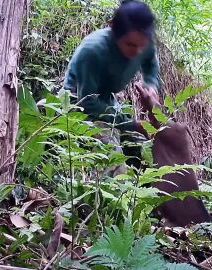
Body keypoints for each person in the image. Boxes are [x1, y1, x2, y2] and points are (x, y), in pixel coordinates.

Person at [63, 0, 161, 173]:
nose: (138, 52)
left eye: (142, 46)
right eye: (130, 45)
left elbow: (151, 65)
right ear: (116, 35)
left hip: (108, 100)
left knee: (150, 148)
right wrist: (132, 124)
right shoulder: (93, 51)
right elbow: (87, 104)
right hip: (78, 104)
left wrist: (150, 85)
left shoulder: (143, 43)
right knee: (112, 161)